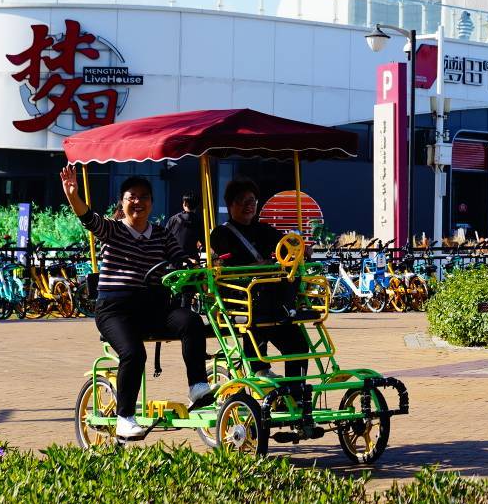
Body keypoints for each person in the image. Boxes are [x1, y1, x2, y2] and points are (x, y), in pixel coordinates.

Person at [59, 166, 208, 442]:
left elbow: (180, 260)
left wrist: (197, 270)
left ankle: (198, 385)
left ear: (152, 202)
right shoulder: (113, 230)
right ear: (123, 202)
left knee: (191, 321)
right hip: (114, 311)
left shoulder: (163, 234)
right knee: (134, 353)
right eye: (132, 197)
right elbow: (88, 218)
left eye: (144, 197)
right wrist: (73, 195)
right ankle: (125, 417)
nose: (138, 202)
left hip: (153, 309)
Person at [210, 178, 310, 383]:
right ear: (230, 205)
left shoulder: (265, 229)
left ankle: (295, 392)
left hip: (272, 299)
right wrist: (260, 266)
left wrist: (299, 249)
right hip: (242, 297)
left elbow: (286, 247)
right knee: (259, 319)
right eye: (242, 201)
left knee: (298, 344)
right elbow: (225, 266)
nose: (249, 206)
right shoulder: (221, 233)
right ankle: (258, 368)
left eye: (253, 201)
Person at [162, 194, 202, 260]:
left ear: (185, 204)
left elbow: (164, 237)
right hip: (193, 262)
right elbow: (204, 241)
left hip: (174, 259)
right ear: (197, 206)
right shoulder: (199, 221)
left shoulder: (174, 219)